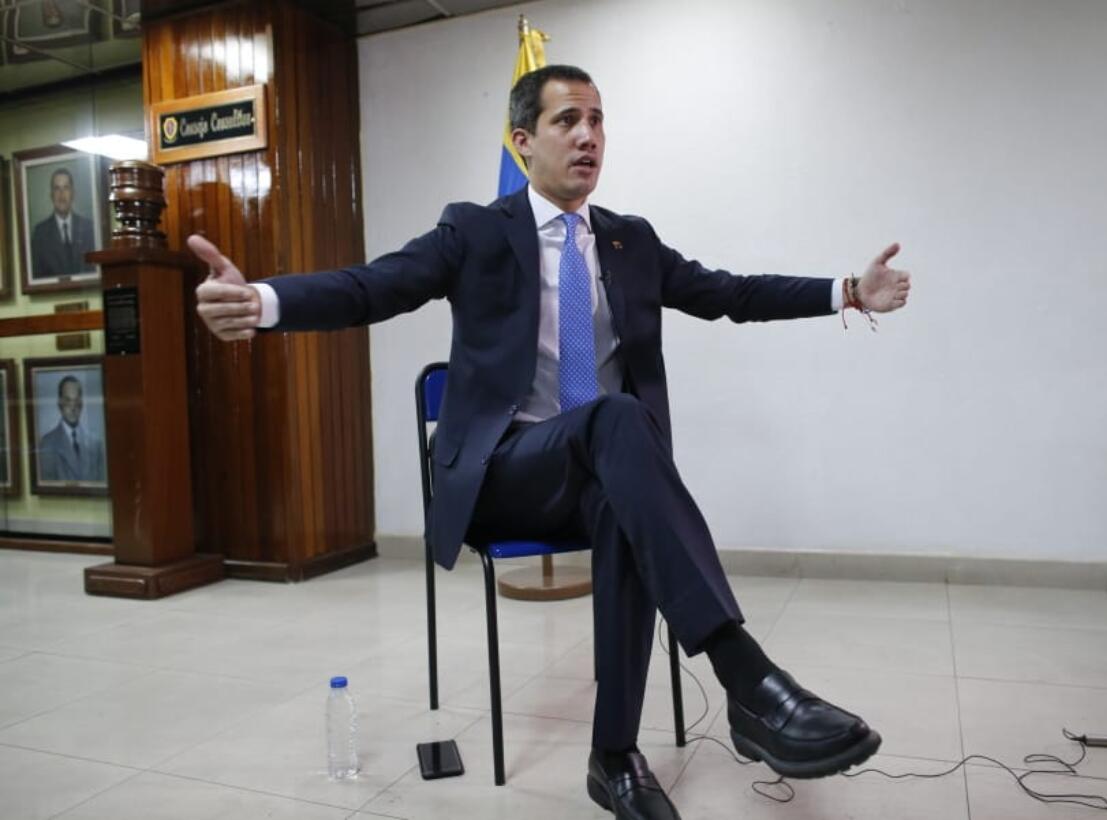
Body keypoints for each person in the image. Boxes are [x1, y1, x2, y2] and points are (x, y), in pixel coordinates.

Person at [191, 65, 911, 819]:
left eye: (598, 120)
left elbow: (730, 293)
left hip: (594, 475)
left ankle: (614, 761)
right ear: (523, 140)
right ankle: (748, 681)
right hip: (503, 476)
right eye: (569, 120)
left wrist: (848, 291)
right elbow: (376, 284)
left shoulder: (631, 242)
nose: (589, 135)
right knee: (620, 419)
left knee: (622, 495)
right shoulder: (472, 230)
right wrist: (264, 301)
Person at [30, 167, 96, 279]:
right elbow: (38, 276)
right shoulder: (40, 233)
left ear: (73, 193)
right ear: (51, 195)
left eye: (66, 188)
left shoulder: (88, 227)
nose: (61, 194)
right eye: (57, 188)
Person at [38, 375, 105, 483]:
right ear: (59, 403)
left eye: (76, 400)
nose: (73, 407)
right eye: (67, 400)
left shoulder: (96, 443)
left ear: (82, 403)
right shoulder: (47, 444)